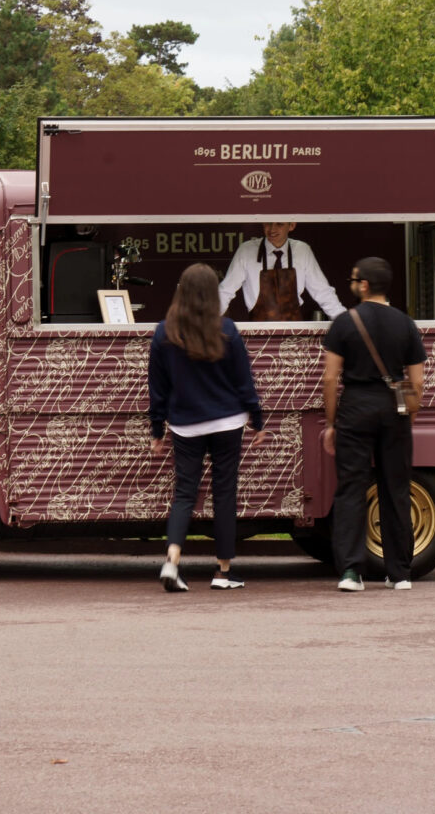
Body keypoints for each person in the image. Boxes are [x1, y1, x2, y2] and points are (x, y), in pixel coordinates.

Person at [148, 263, 267, 592]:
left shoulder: (164, 333)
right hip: (228, 421)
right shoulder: (227, 329)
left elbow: (157, 389)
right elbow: (245, 382)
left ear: (181, 292)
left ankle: (172, 561)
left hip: (185, 425)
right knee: (224, 493)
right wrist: (256, 420)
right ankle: (223, 573)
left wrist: (157, 430)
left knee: (185, 494)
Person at [322, 256, 426, 592]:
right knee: (395, 488)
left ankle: (351, 572)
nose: (351, 283)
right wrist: (410, 412)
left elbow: (329, 378)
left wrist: (331, 422)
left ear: (364, 285)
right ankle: (400, 574)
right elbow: (418, 381)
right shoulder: (406, 324)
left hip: (355, 407)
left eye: (354, 279)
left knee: (351, 488)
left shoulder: (344, 323)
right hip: (393, 408)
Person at [218, 222, 345, 320]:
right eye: (268, 223)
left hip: (294, 335)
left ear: (292, 225)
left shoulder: (302, 250)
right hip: (258, 334)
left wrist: (344, 321)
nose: (272, 229)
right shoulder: (246, 250)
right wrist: (207, 321)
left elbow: (322, 292)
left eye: (279, 224)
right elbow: (226, 291)